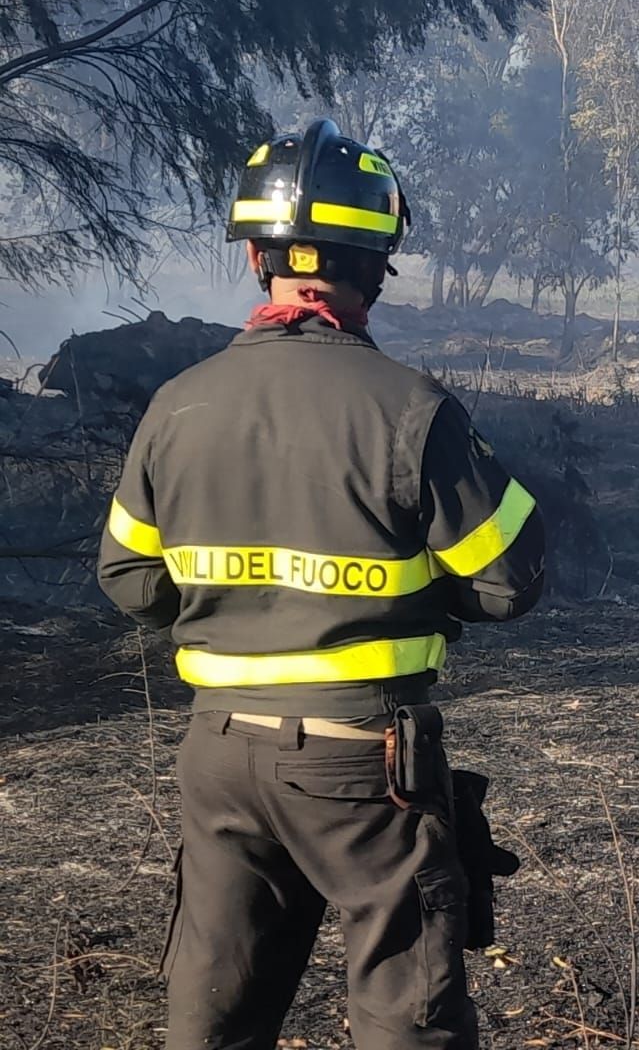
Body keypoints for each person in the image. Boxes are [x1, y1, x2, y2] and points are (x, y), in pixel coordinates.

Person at [96, 118, 544, 1049]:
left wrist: (233, 601)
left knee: (214, 1013)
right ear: (374, 265)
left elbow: (131, 577)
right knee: (407, 1011)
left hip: (219, 757)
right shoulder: (413, 410)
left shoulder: (177, 406)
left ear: (256, 257)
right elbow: (509, 580)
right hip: (361, 763)